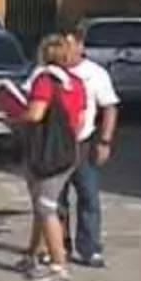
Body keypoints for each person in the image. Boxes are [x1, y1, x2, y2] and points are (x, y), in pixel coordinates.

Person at [15, 34, 86, 281]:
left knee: (46, 207)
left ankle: (58, 264)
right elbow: (80, 120)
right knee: (41, 205)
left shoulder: (44, 81)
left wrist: (14, 116)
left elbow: (36, 114)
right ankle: (32, 254)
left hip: (45, 152)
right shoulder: (75, 82)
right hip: (68, 150)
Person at [55, 25, 120, 268]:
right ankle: (59, 246)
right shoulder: (49, 72)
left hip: (83, 143)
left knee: (89, 197)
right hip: (55, 147)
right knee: (56, 200)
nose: (65, 51)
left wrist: (105, 141)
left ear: (81, 46)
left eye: (70, 46)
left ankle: (89, 248)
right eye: (62, 46)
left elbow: (109, 107)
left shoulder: (95, 74)